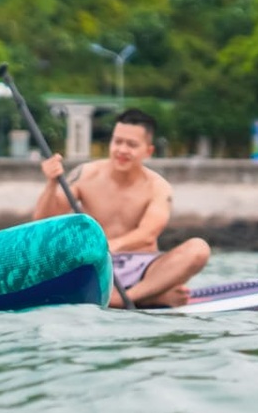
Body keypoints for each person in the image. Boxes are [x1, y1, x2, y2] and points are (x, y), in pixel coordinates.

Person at [30, 108, 210, 307]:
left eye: (132, 144)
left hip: (143, 270)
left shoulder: (158, 187)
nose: (122, 150)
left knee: (198, 249)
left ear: (148, 151)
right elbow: (42, 222)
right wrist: (51, 183)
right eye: (117, 141)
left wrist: (106, 247)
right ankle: (152, 299)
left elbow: (147, 235)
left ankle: (125, 298)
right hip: (96, 267)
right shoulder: (85, 174)